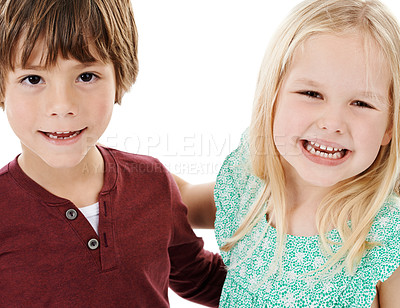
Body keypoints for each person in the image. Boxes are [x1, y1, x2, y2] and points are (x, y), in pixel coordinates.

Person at [0, 0, 226, 307]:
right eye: (33, 79)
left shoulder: (153, 183)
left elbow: (203, 279)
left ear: (120, 76)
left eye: (86, 76)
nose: (62, 105)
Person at [175, 0, 400, 306]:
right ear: (273, 97)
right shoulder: (249, 190)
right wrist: (103, 163)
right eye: (311, 94)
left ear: (390, 125)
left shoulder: (387, 238)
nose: (332, 123)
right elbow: (176, 202)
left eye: (361, 103)